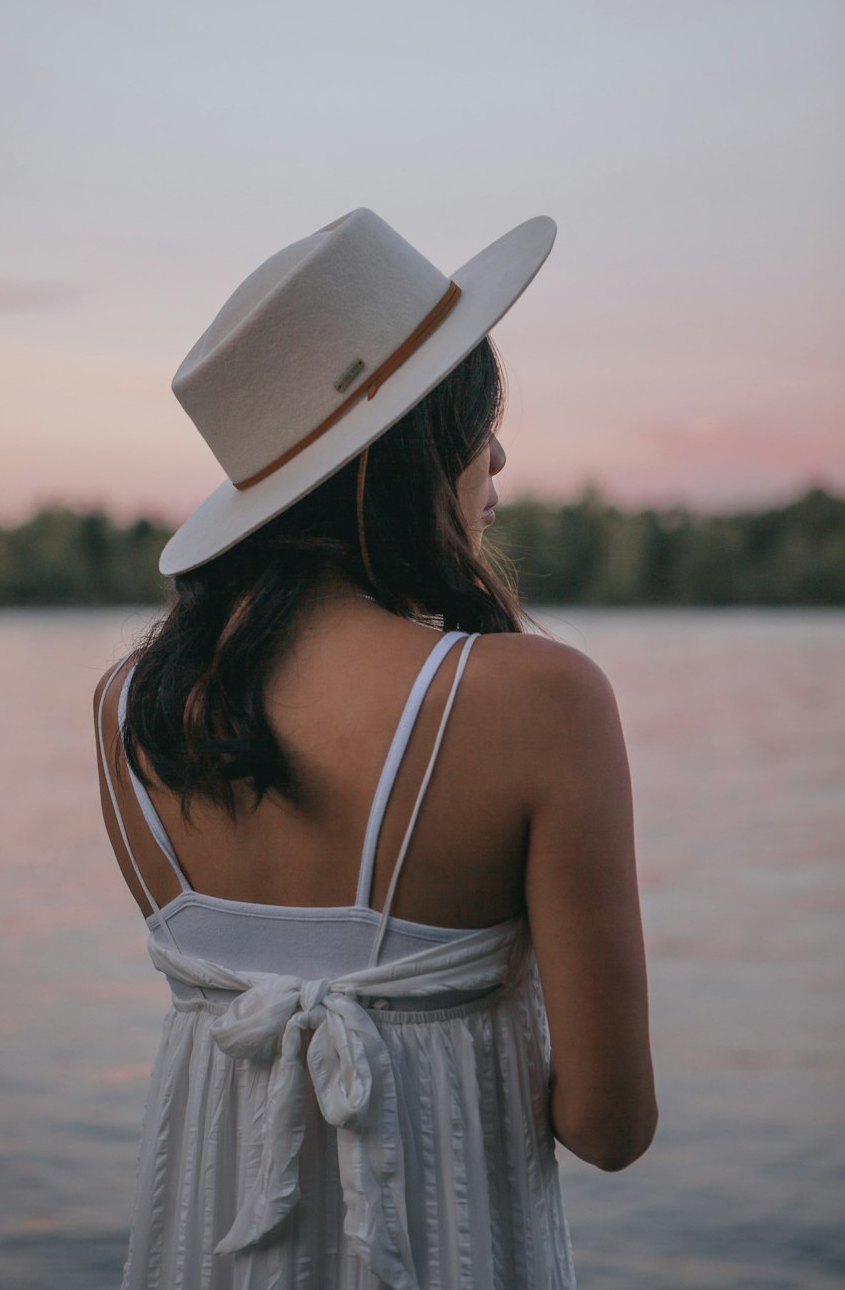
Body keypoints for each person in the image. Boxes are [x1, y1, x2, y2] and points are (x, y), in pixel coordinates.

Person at [94, 207, 657, 1290]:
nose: (498, 454)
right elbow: (609, 1124)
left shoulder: (128, 709)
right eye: (473, 421)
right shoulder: (541, 699)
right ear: (404, 452)